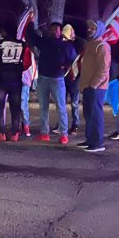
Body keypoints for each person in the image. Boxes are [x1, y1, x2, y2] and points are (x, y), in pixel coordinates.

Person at [26, 15, 78, 144]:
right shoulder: (45, 43)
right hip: (43, 78)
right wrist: (30, 22)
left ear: (60, 32)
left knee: (61, 107)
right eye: (52, 29)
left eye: (57, 29)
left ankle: (64, 134)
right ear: (49, 31)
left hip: (57, 80)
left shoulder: (66, 46)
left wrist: (65, 67)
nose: (54, 31)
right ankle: (44, 133)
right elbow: (32, 36)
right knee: (43, 107)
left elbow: (74, 61)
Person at [0, 23, 32, 142]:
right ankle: (15, 133)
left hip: (0, 79)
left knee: (0, 106)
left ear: (4, 32)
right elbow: (27, 63)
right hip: (15, 80)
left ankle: (1, 132)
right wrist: (18, 69)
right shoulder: (23, 45)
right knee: (15, 107)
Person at [78, 19, 111, 153]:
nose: (89, 29)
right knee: (88, 114)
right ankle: (90, 139)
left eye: (93, 27)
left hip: (96, 87)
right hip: (87, 85)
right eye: (89, 27)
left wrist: (94, 84)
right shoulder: (91, 45)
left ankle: (97, 143)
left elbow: (103, 68)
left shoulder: (102, 46)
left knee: (95, 114)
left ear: (99, 30)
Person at [62, 24, 83, 135]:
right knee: (62, 101)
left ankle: (75, 124)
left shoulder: (80, 43)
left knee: (74, 102)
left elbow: (80, 61)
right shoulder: (63, 43)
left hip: (75, 77)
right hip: (64, 76)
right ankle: (62, 123)